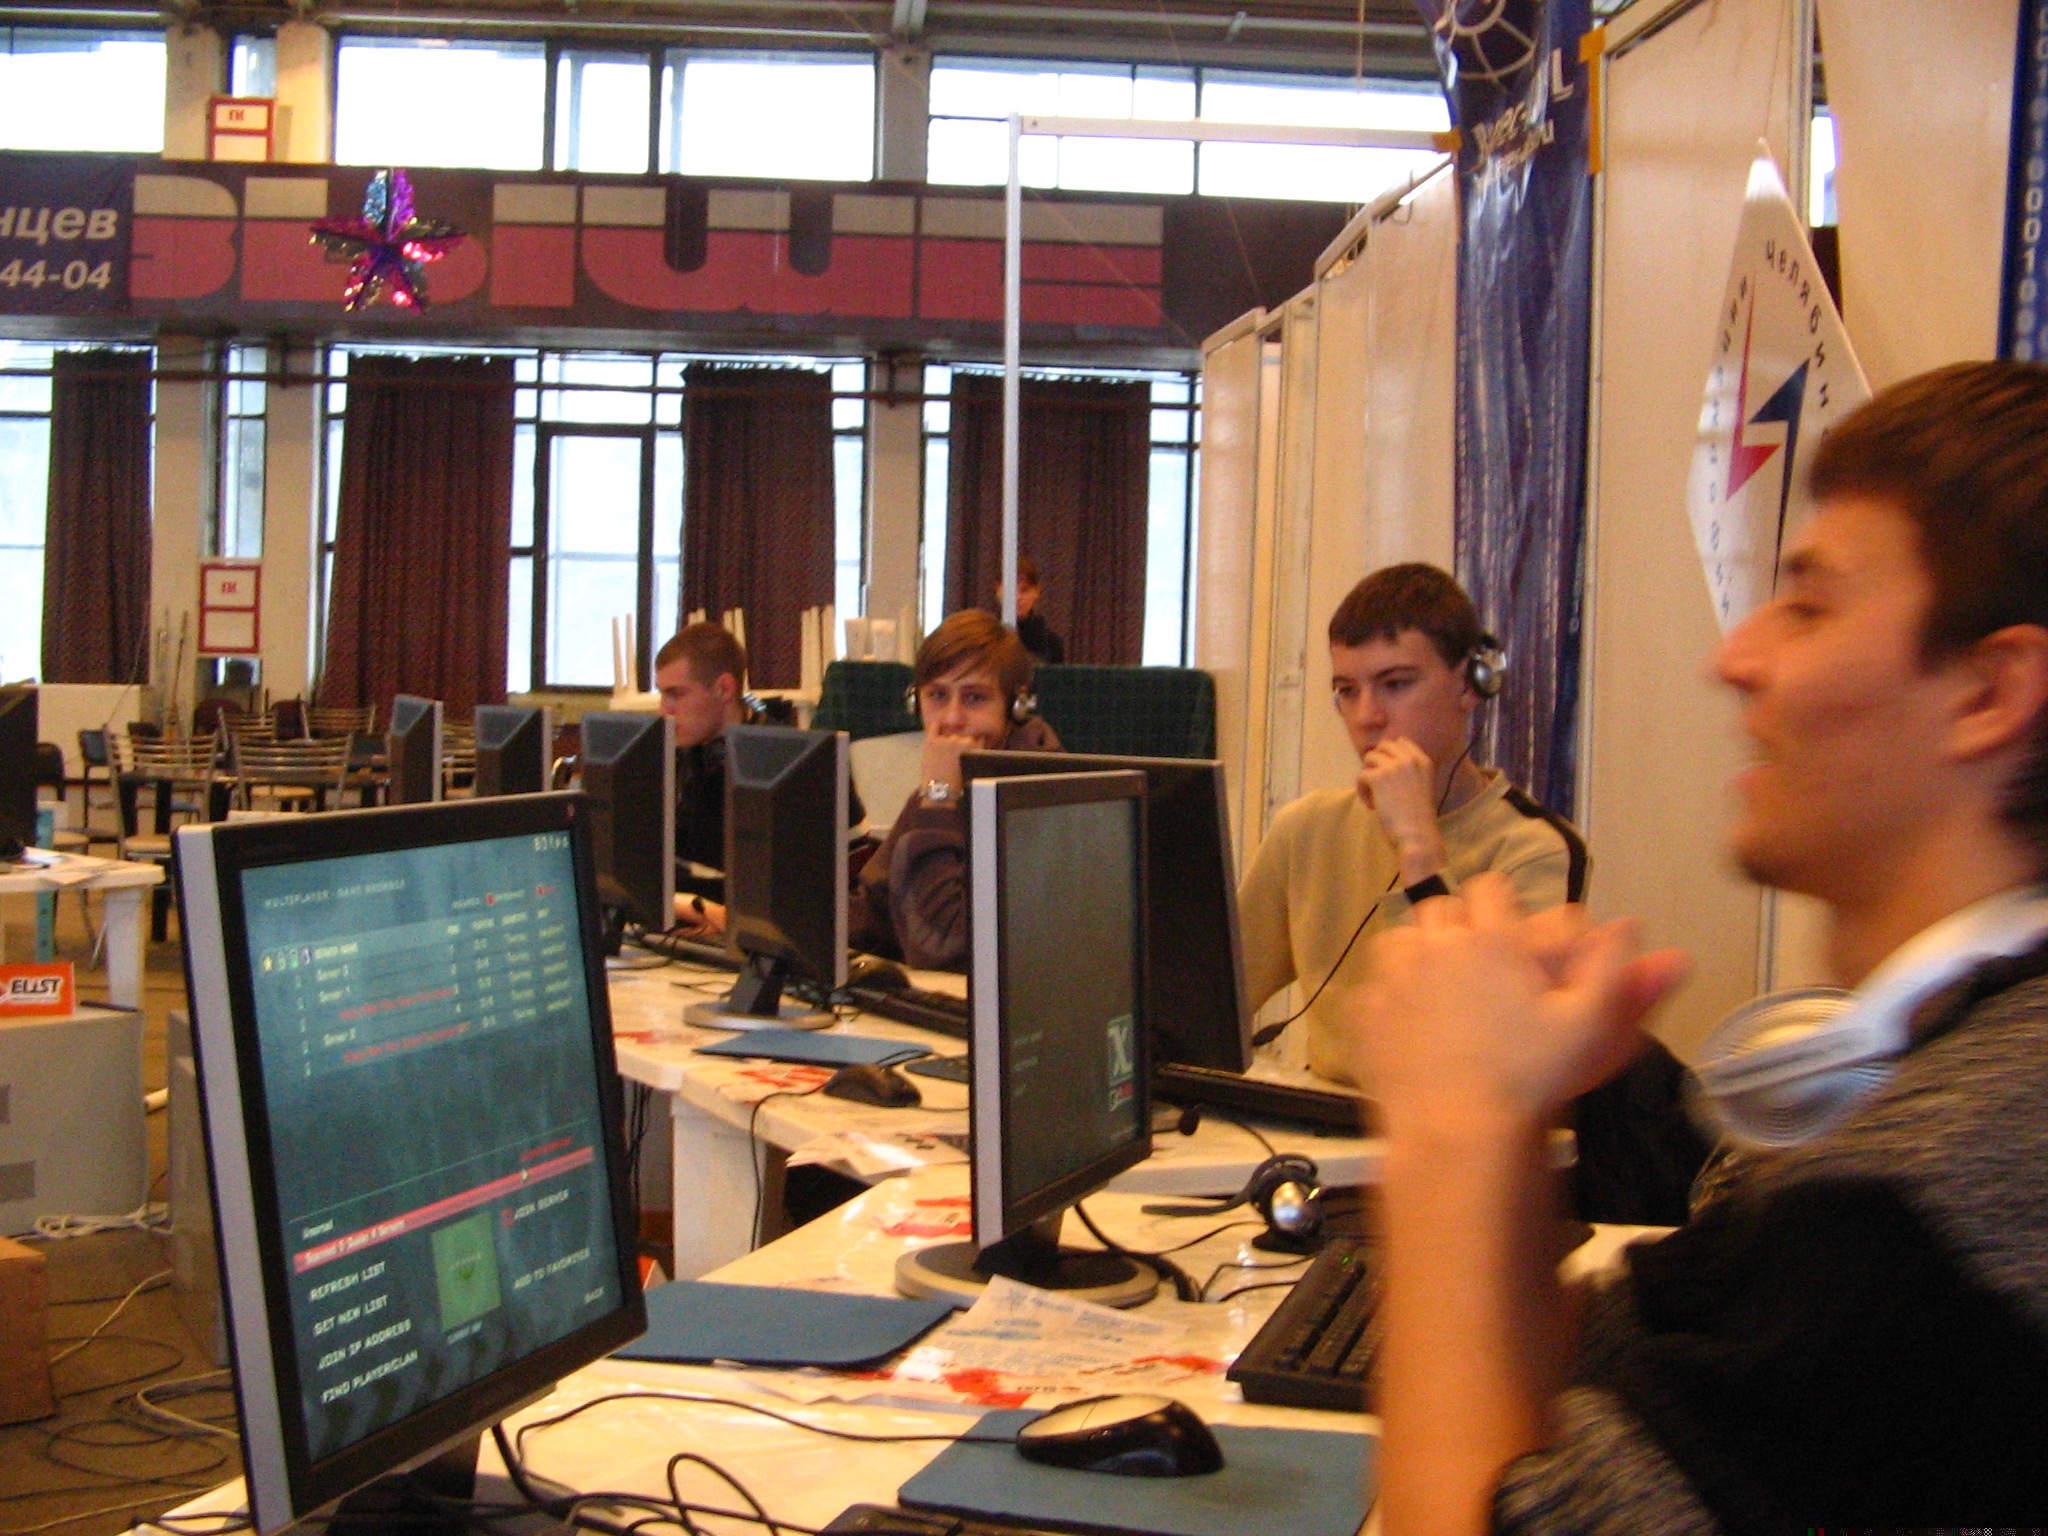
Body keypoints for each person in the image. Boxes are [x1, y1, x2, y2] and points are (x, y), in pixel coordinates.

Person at [1351, 362, 2048, 1533]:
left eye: (1808, 606)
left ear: (1986, 691)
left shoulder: (1938, 1181)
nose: (1735, 658)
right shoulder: (1935, 1095)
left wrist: (1448, 1124)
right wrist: (1509, 1123)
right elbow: (1577, 1401)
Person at [1237, 564, 1583, 1086]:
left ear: (1471, 684)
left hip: (1457, 1121)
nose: (1366, 716)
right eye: (1347, 690)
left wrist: (1419, 849)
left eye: (1395, 684)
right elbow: (1214, 998)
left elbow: (1488, 1056)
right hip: (1321, 1118)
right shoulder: (1305, 829)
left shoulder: (1536, 848)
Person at [849, 609, 1061, 969]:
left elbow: (941, 945)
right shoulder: (946, 787)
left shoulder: (1041, 797)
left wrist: (939, 796)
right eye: (937, 696)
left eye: (975, 698)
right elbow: (873, 912)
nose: (951, 719)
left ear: (1017, 706)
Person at [652, 621, 755, 921]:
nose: (664, 710)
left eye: (676, 694)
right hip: (681, 924)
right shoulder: (672, 760)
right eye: (662, 695)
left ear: (724, 689)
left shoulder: (784, 765)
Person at [1000, 555, 1065, 665]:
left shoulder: (1051, 644)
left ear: (1037, 592)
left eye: (1024, 590)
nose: (1017, 597)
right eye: (1010, 589)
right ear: (998, 590)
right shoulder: (984, 639)